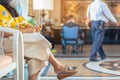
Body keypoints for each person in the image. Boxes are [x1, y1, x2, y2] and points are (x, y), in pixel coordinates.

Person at [0, 0, 78, 80]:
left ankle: (58, 67)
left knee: (37, 53)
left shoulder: (9, 9)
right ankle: (58, 66)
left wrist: (31, 28)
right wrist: (25, 31)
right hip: (5, 42)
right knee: (38, 42)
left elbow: (16, 24)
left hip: (17, 40)